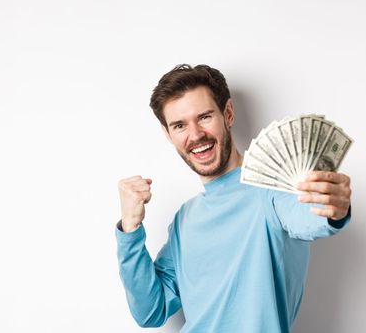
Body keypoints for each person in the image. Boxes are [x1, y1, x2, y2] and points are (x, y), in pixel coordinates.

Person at [115, 64, 352, 332]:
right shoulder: (184, 219)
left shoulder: (273, 189)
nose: (195, 135)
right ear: (168, 134)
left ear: (227, 113)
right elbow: (150, 311)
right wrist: (130, 229)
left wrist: (334, 206)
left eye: (204, 117)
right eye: (179, 125)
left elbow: (310, 217)